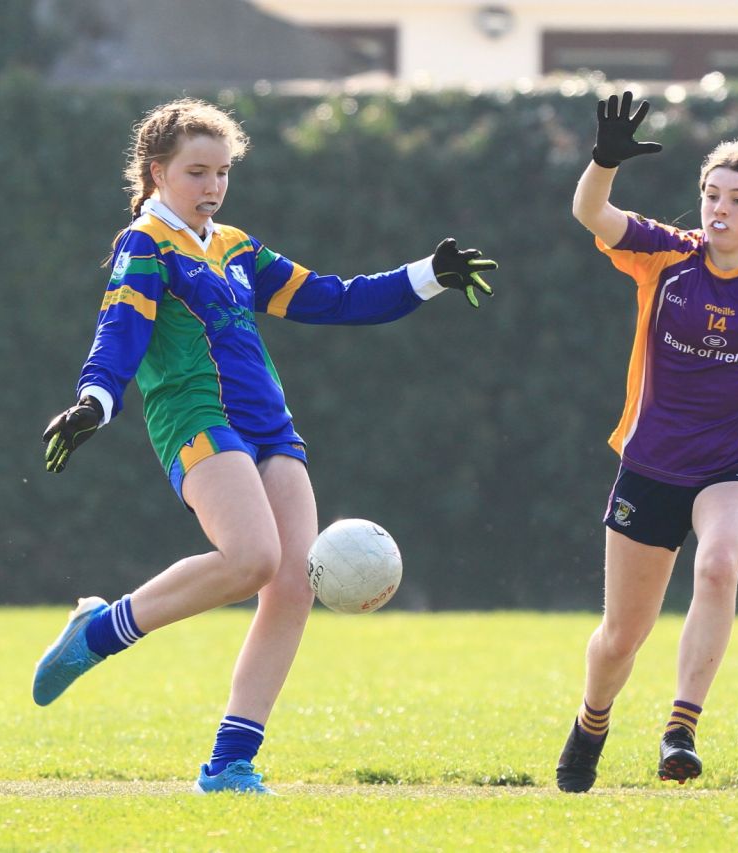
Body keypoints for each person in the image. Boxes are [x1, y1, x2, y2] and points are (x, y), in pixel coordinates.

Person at [32, 98, 498, 794]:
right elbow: (119, 332)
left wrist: (425, 275)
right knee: (252, 558)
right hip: (194, 416)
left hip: (270, 425)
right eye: (197, 171)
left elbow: (335, 298)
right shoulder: (146, 246)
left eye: (222, 172)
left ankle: (229, 764)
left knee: (289, 586)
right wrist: (95, 401)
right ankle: (101, 630)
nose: (213, 186)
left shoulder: (235, 246)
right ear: (157, 173)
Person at [554, 85, 738, 793]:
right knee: (621, 636)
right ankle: (593, 719)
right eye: (712, 194)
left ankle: (681, 727)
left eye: (737, 198)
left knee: (717, 565)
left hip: (737, 468)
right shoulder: (665, 255)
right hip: (651, 466)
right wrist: (603, 161)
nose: (719, 207)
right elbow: (590, 211)